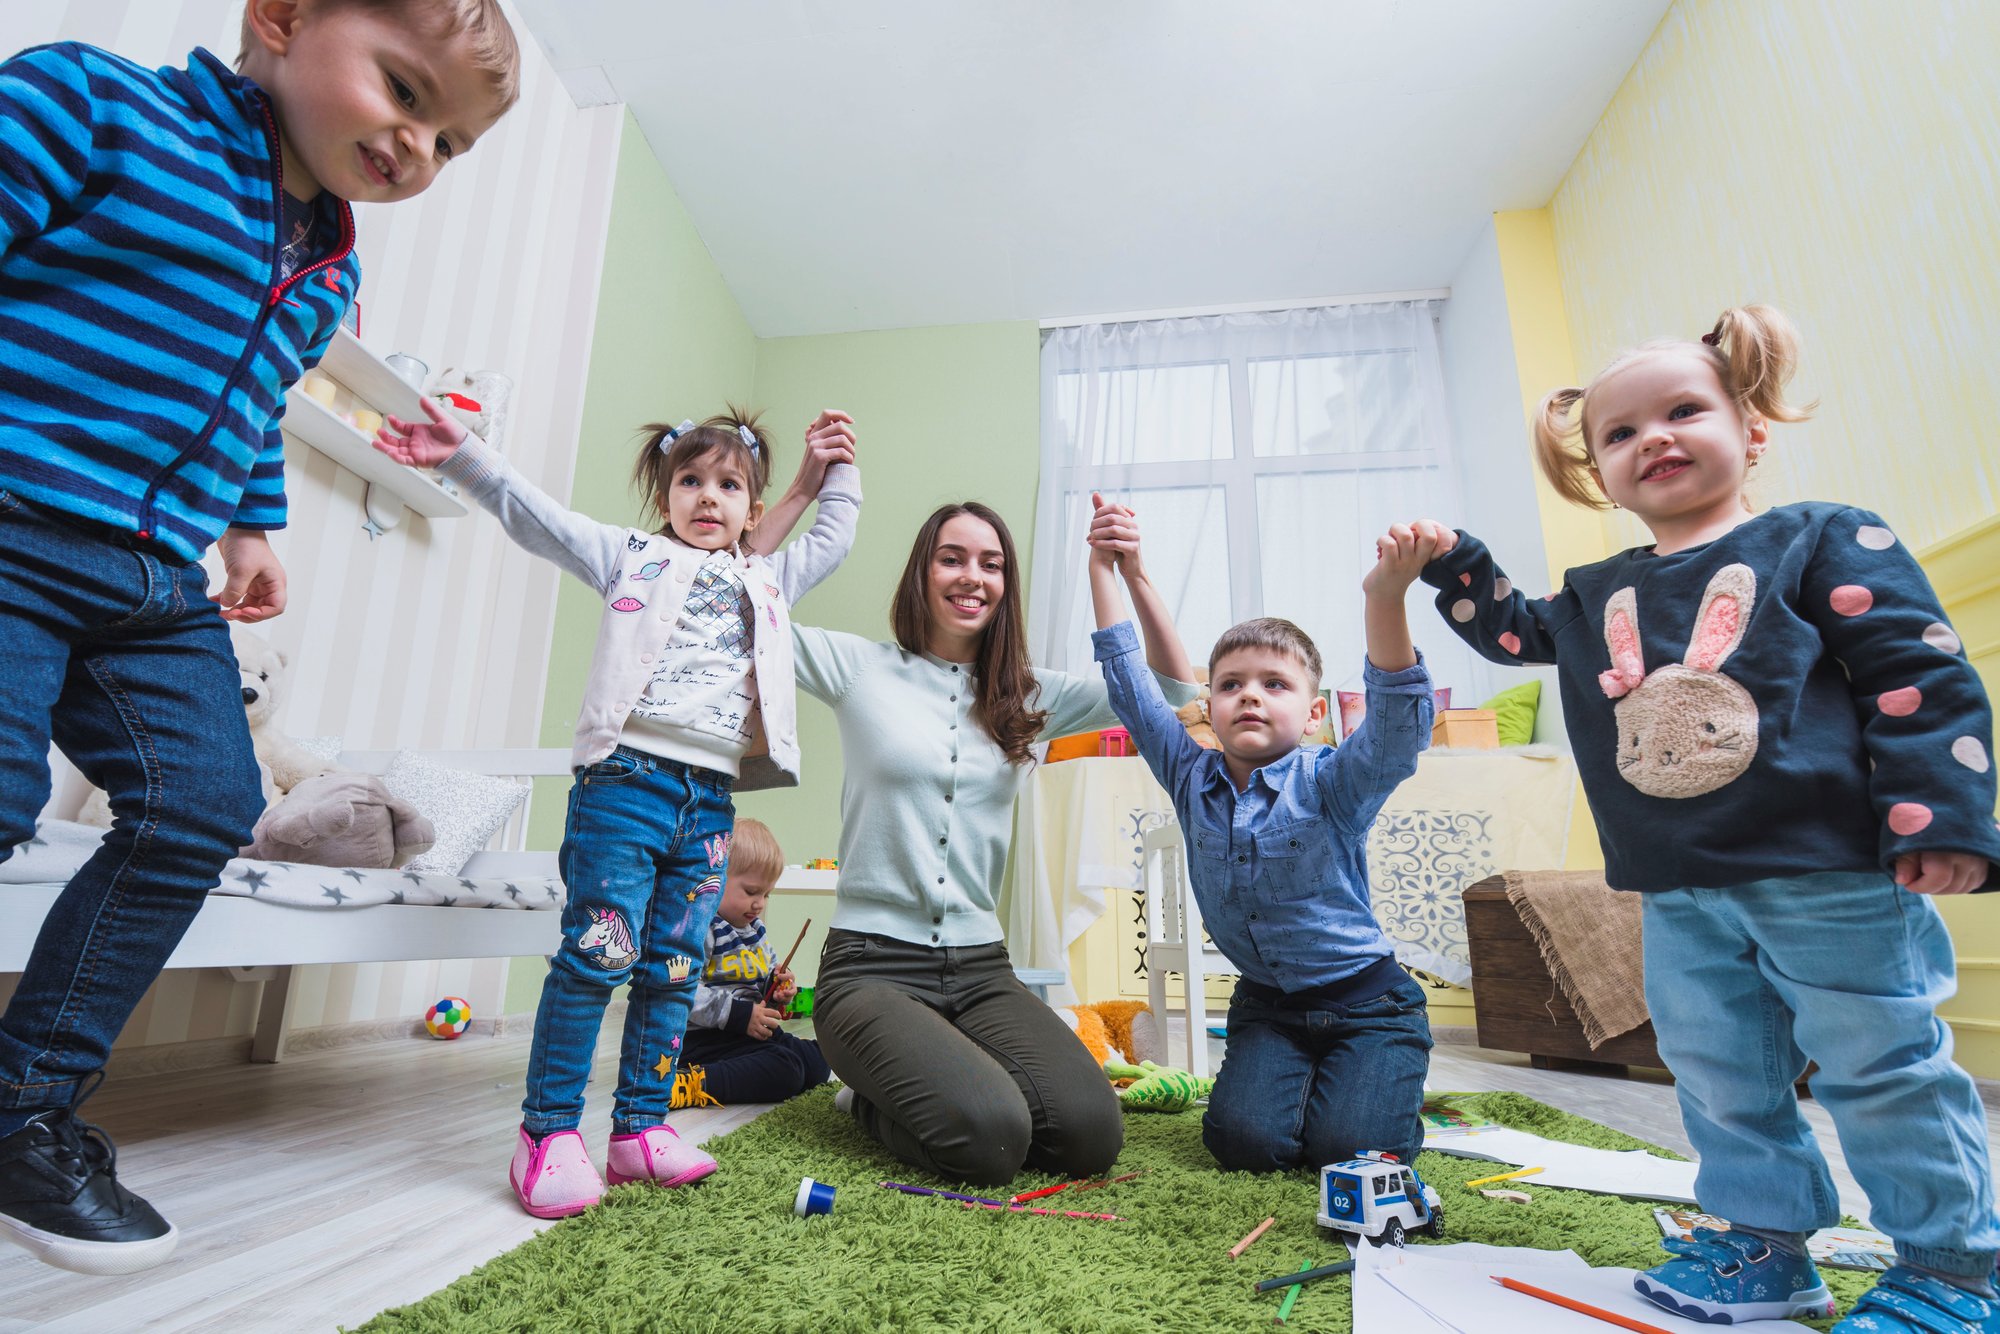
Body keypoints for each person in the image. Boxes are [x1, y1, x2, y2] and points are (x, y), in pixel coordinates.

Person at [0, 0, 519, 1274]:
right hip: (14, 515)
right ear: (279, 18)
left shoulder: (330, 262)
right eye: (404, 90)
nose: (416, 147)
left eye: (448, 143)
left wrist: (249, 529)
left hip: (148, 574)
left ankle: (23, 1106)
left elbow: (250, 398)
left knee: (203, 801)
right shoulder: (94, 106)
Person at [1415, 305, 2000, 1332]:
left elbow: (1913, 674)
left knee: (1880, 1064)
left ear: (1750, 428)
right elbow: (1510, 632)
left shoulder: (1818, 534)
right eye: (1619, 433)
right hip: (1676, 885)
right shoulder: (1599, 589)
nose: (1654, 439)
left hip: (1828, 871)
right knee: (1718, 1071)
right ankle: (1761, 1242)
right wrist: (1452, 559)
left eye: (1682, 409)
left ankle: (1953, 1265)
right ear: (1598, 472)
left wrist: (1935, 813)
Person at [374, 398, 860, 1217]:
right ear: (665, 496)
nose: (709, 496)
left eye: (731, 485)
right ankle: (550, 1134)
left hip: (710, 802)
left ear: (752, 504)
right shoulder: (632, 557)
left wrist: (838, 467)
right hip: (625, 785)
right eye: (691, 481)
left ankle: (639, 1129)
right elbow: (540, 519)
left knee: (674, 967)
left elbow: (834, 538)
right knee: (600, 953)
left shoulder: (765, 577)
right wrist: (463, 455)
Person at [793, 501, 1198, 1186]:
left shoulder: (1029, 695)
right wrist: (807, 501)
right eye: (951, 557)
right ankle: (864, 1097)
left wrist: (1132, 572)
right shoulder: (858, 666)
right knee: (990, 1141)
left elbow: (1175, 692)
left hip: (981, 970)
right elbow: (747, 618)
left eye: (992, 563)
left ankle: (922, 1080)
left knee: (1091, 1135)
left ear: (1006, 585)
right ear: (921, 572)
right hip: (869, 969)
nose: (971, 576)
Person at [1086, 492, 1440, 1172]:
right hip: (1269, 1011)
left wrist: (1384, 597)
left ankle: (1376, 1080)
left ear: (1312, 714)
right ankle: (1309, 1086)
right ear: (1208, 708)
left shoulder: (1333, 782)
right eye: (1231, 684)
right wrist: (1107, 568)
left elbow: (1398, 727)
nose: (1250, 694)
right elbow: (1131, 684)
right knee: (1244, 1147)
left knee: (1350, 1154)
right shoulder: (1190, 777)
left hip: (1370, 1007)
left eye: (1274, 684)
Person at [675, 818, 832, 1109]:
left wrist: (777, 988)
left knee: (819, 1061)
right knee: (787, 1070)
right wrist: (740, 1016)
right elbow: (684, 992)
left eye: (766, 894)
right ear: (717, 878)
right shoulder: (704, 929)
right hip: (707, 1039)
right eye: (750, 892)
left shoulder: (756, 930)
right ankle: (692, 1083)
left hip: (748, 1031)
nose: (759, 903)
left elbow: (761, 984)